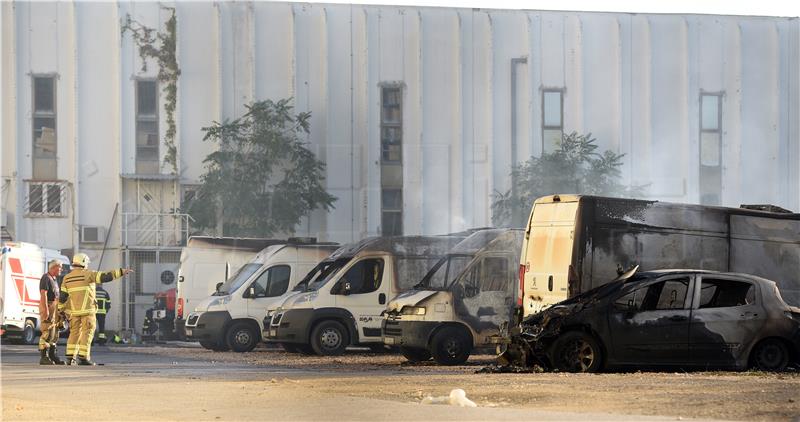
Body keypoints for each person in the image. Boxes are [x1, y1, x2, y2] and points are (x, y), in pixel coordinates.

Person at [62, 253, 132, 365]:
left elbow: (62, 297)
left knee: (74, 333)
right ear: (84, 262)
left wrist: (61, 311)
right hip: (88, 312)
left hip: (74, 313)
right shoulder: (89, 274)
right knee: (87, 333)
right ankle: (83, 358)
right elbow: (105, 276)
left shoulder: (66, 278)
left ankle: (70, 358)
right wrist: (121, 272)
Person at [38, 259, 66, 365]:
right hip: (48, 306)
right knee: (47, 331)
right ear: (54, 267)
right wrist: (45, 310)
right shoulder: (46, 277)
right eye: (60, 267)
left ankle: (52, 355)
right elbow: (43, 294)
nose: (61, 269)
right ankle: (44, 357)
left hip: (54, 307)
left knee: (55, 333)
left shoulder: (54, 279)